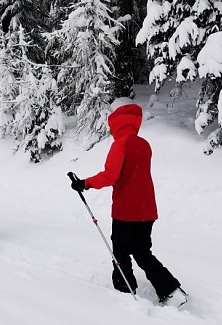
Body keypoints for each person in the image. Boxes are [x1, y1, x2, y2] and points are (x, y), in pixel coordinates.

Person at [70, 98, 187, 306]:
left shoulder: (120, 144)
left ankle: (124, 293)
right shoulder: (144, 144)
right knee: (142, 252)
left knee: (121, 252)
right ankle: (171, 290)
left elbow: (110, 176)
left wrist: (84, 183)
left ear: (115, 120)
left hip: (126, 212)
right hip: (147, 210)